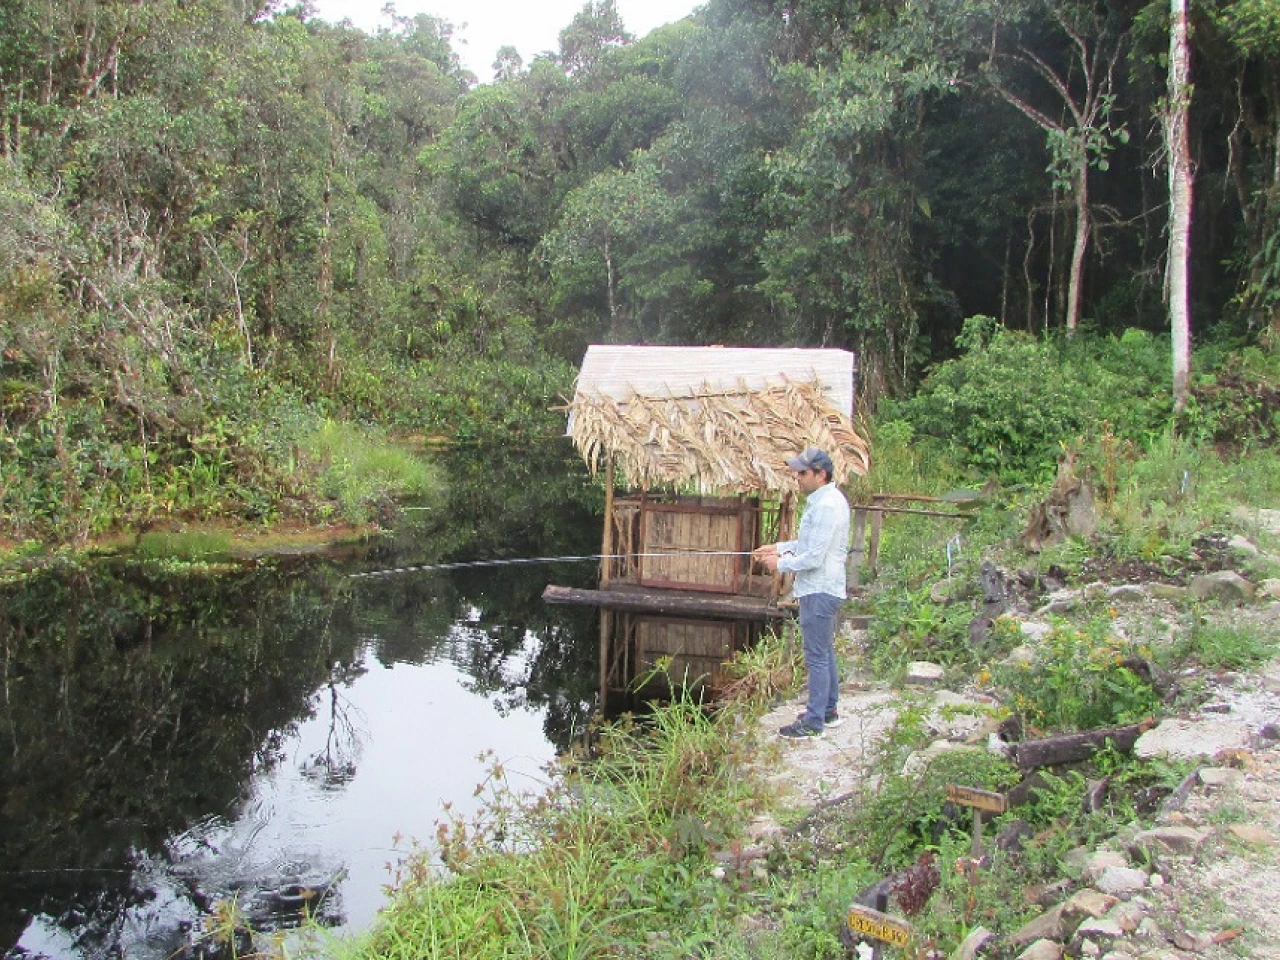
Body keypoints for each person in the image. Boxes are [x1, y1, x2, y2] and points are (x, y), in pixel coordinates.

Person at [752, 447, 851, 739]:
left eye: (803, 473)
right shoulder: (825, 500)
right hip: (821, 588)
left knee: (816, 656)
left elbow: (814, 557)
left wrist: (779, 564)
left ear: (821, 475)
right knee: (824, 651)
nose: (798, 477)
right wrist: (778, 548)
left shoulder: (827, 506)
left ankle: (813, 722)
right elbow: (808, 543)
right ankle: (828, 711)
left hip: (820, 590)